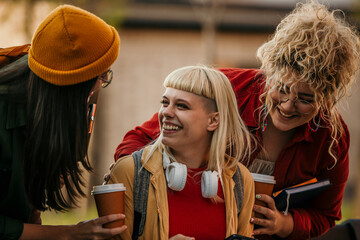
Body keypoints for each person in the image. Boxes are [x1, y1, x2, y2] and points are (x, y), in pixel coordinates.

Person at [112, 1, 360, 239]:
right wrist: (164, 192)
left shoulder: (331, 137)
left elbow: (326, 215)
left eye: (305, 99)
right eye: (281, 89)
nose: (287, 105)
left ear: (327, 98)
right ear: (270, 72)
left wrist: (284, 224)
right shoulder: (224, 89)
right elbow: (135, 143)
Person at [0, 4, 127, 239]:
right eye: (101, 76)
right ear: (71, 88)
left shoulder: (50, 99)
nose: (102, 84)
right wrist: (69, 233)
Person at [106, 65, 255, 239]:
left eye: (182, 106)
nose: (166, 112)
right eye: (165, 103)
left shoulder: (240, 179)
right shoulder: (130, 172)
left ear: (214, 120)